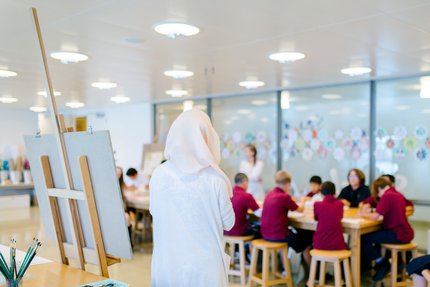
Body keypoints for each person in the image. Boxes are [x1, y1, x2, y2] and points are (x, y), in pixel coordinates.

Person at [149, 109, 235, 287]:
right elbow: (229, 223)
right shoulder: (216, 179)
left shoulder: (158, 174)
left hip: (167, 263)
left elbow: (154, 212)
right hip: (205, 270)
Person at [359, 177, 414, 282]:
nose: (378, 196)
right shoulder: (398, 194)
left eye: (377, 193)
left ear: (379, 188)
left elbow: (375, 216)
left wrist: (362, 214)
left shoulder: (387, 196)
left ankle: (381, 263)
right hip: (406, 232)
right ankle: (382, 264)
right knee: (375, 237)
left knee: (363, 237)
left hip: (397, 234)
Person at [261, 171, 313, 268]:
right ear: (288, 184)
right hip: (279, 235)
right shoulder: (284, 196)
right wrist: (303, 200)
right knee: (306, 244)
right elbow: (300, 210)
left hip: (265, 234)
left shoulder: (269, 194)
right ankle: (313, 275)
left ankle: (284, 269)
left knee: (296, 236)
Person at [224, 173, 262, 237]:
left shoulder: (227, 194)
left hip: (225, 231)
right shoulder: (246, 196)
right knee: (259, 230)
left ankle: (237, 247)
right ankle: (248, 247)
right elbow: (259, 213)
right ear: (245, 182)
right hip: (239, 231)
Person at [313, 181, 346, 251]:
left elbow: (316, 218)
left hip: (319, 244)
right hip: (337, 245)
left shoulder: (317, 204)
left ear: (321, 193)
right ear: (335, 193)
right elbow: (340, 217)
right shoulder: (340, 204)